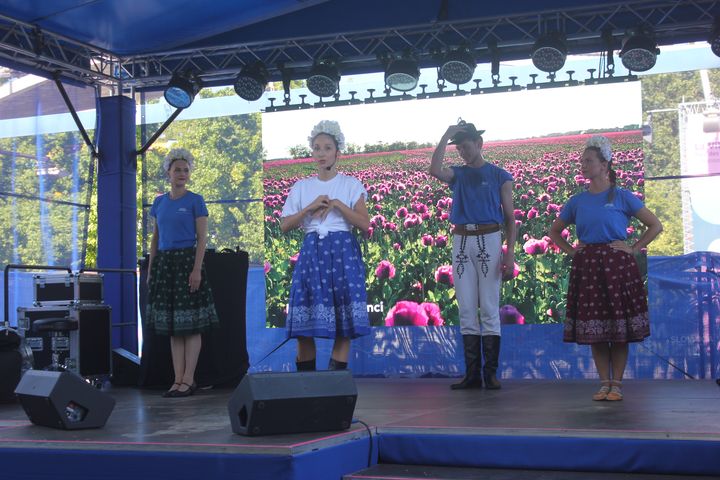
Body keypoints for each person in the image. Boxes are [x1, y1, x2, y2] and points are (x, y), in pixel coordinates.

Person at [549, 135, 662, 401]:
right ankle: (604, 383)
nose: (583, 165)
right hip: (588, 267)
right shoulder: (577, 201)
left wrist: (634, 248)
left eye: (588, 161)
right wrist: (573, 251)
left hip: (617, 266)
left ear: (605, 165)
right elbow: (555, 231)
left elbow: (655, 225)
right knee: (596, 328)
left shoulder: (623, 196)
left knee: (618, 328)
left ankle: (617, 384)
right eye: (582, 161)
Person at [429, 120, 516, 390]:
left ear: (479, 144)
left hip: (490, 239)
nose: (463, 153)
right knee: (466, 308)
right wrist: (446, 134)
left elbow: (511, 220)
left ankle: (489, 374)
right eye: (459, 149)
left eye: (466, 147)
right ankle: (472, 374)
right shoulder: (458, 175)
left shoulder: (501, 176)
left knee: (489, 307)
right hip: (462, 240)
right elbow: (433, 169)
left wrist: (510, 254)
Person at [280, 120, 370, 371]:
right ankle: (308, 389)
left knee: (344, 323)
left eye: (327, 148)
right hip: (312, 254)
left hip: (343, 253)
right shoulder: (302, 187)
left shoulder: (351, 184)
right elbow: (284, 225)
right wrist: (309, 208)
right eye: (316, 147)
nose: (321, 153)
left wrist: (338, 204)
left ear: (337, 152)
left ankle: (333, 385)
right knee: (303, 324)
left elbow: (364, 224)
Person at [147, 148, 219, 397]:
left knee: (191, 325)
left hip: (187, 261)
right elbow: (155, 238)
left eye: (186, 170)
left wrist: (196, 269)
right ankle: (177, 380)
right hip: (165, 266)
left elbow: (202, 238)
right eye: (177, 169)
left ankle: (189, 379)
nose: (182, 173)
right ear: (168, 172)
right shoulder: (159, 202)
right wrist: (151, 269)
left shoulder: (195, 200)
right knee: (173, 326)